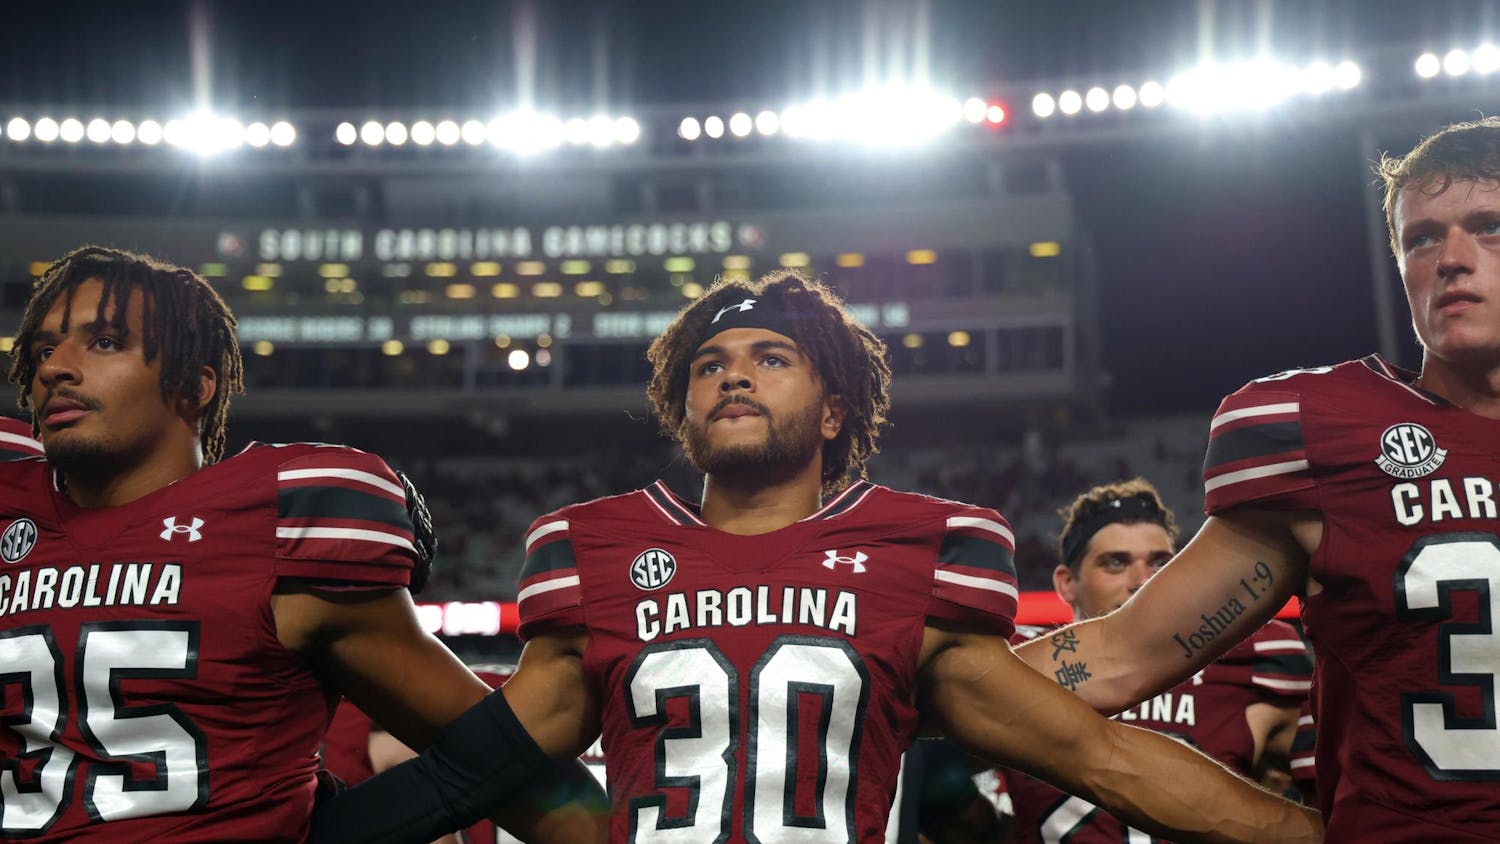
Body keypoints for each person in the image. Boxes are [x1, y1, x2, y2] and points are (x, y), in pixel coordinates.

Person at [312, 269, 1321, 844]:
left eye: (769, 359)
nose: (732, 375)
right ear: (683, 407)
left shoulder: (919, 550)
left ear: (836, 407)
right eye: (710, 365)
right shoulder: (593, 545)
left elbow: (1099, 755)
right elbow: (488, 770)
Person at [0, 246, 602, 842]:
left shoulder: (274, 521)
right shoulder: (11, 506)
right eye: (45, 348)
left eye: (104, 342)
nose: (56, 367)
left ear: (195, 384)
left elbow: (493, 760)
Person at [1015, 116, 1500, 841]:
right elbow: (1121, 655)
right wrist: (899, 678)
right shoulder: (1321, 431)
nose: (1451, 259)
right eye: (1421, 237)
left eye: (1488, 226)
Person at [1004, 478, 1312, 843]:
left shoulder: (1257, 652)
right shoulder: (1015, 659)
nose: (1143, 581)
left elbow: (1339, 784)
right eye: (1115, 563)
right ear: (1066, 582)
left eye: (1161, 563)